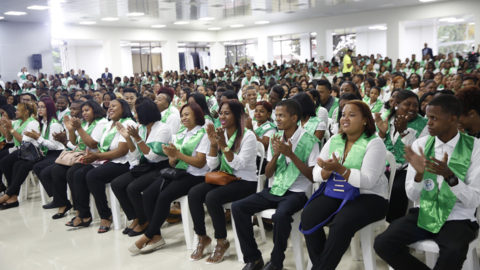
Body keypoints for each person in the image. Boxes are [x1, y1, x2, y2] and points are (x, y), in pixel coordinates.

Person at [374, 94, 480, 270]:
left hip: (457, 217)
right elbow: (412, 195)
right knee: (383, 243)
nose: (428, 122)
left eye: (434, 118)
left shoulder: (475, 148)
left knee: (453, 251)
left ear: (453, 118)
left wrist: (450, 176)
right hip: (426, 212)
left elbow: (474, 200)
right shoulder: (421, 144)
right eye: (428, 117)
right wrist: (419, 176)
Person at [300, 100, 388, 270]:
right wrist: (325, 171)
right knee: (309, 216)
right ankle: (322, 266)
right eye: (343, 115)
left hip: (369, 197)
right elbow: (316, 173)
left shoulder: (374, 143)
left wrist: (340, 169)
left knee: (341, 224)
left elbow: (368, 181)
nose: (345, 119)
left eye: (352, 115)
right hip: (338, 192)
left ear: (365, 120)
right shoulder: (335, 139)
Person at [232, 99, 319, 270]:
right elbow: (269, 173)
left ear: (294, 118)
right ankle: (254, 258)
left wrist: (292, 155)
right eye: (276, 115)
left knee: (280, 215)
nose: (277, 119)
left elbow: (313, 177)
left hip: (298, 192)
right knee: (238, 207)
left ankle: (276, 262)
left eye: (281, 116)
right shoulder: (276, 138)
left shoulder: (310, 141)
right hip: (275, 188)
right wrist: (276, 155)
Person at [128, 102, 210, 254]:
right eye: (182, 115)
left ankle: (148, 235)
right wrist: (172, 156)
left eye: (187, 115)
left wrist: (177, 155)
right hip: (178, 172)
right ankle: (156, 236)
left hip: (196, 175)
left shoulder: (204, 134)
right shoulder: (180, 134)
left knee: (164, 196)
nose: (184, 118)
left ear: (197, 116)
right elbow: (173, 162)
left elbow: (200, 163)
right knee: (148, 194)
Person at [188, 99, 257, 263]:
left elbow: (239, 164)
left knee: (212, 197)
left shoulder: (248, 136)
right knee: (194, 193)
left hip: (245, 181)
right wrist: (213, 145)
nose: (222, 117)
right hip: (224, 177)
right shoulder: (221, 134)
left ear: (238, 115)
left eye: (227, 113)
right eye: (221, 113)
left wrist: (224, 146)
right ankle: (202, 237)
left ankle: (221, 240)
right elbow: (212, 165)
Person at [66, 99, 135, 233]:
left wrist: (97, 156)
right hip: (106, 160)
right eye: (109, 106)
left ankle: (105, 215)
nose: (110, 108)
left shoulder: (128, 123)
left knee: (92, 176)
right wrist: (93, 156)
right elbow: (100, 147)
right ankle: (83, 213)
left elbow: (122, 151)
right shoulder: (109, 124)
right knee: (76, 172)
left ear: (124, 108)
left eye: (114, 106)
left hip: (123, 162)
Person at [111, 97, 171, 236]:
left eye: (137, 113)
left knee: (133, 188)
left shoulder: (163, 128)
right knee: (117, 184)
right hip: (145, 166)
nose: (135, 116)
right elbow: (136, 156)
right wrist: (127, 138)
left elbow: (153, 156)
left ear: (146, 113)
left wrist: (137, 138)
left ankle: (145, 221)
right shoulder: (141, 128)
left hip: (160, 167)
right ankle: (136, 217)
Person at [375, 90, 429, 222]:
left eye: (415, 105)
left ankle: (392, 223)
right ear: (397, 104)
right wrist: (382, 133)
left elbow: (418, 151)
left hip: (407, 167)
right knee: (372, 183)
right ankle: (374, 221)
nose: (412, 108)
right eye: (407, 104)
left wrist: (404, 133)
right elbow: (375, 146)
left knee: (397, 188)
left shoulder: (424, 125)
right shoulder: (386, 118)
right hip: (384, 165)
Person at [0, 102, 40, 209]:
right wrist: (8, 128)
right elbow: (9, 140)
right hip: (21, 153)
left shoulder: (32, 123)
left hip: (31, 153)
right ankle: (12, 196)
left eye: (18, 110)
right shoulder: (17, 122)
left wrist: (11, 129)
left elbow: (24, 142)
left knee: (6, 161)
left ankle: (9, 194)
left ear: (26, 112)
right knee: (12, 164)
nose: (15, 112)